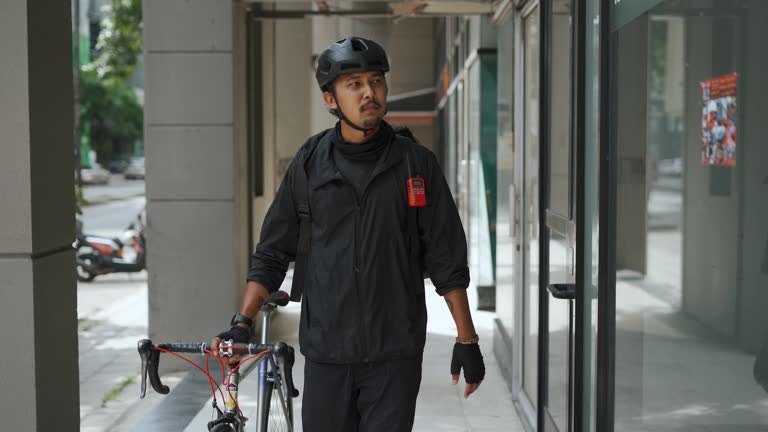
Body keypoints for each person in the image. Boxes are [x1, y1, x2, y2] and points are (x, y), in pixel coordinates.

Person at [211, 36, 484, 432]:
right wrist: (242, 322)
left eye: (376, 81)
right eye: (354, 84)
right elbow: (272, 252)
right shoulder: (308, 164)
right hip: (327, 353)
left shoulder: (415, 164)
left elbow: (447, 259)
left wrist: (467, 339)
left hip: (395, 354)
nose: (369, 93)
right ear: (331, 99)